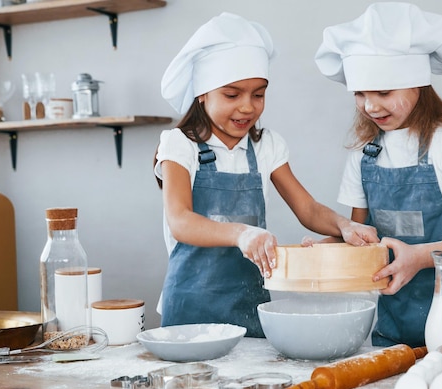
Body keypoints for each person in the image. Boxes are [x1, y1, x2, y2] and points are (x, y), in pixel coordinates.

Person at [154, 12, 379, 338]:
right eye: (232, 95)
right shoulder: (180, 145)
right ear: (202, 93)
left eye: (258, 94)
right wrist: (242, 234)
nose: (247, 107)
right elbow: (180, 220)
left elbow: (308, 209)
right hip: (189, 312)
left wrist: (346, 226)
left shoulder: (265, 146)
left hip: (249, 306)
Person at [314, 2, 442, 347]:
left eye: (384, 92)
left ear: (418, 84)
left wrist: (419, 257)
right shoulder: (363, 153)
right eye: (360, 94)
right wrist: (329, 247)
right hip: (392, 332)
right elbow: (364, 239)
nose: (371, 106)